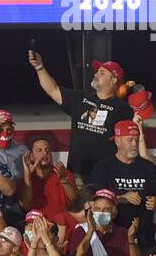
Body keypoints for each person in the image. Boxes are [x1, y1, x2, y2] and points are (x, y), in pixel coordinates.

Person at [27, 50, 132, 180]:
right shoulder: (80, 98)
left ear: (113, 80)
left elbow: (128, 143)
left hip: (106, 175)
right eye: (97, 71)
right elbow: (53, 90)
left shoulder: (123, 109)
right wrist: (39, 67)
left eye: (102, 72)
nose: (96, 74)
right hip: (76, 174)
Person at [87, 119, 156, 252]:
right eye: (130, 140)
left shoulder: (148, 167)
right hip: (113, 236)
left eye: (136, 139)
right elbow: (93, 201)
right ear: (117, 141)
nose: (134, 144)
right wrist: (122, 198)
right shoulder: (104, 167)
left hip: (144, 235)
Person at [17, 135, 77, 221]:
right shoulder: (24, 180)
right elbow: (26, 206)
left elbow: (76, 202)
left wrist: (64, 180)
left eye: (47, 150)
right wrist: (28, 175)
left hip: (62, 225)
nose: (44, 153)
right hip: (36, 226)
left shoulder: (64, 173)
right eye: (39, 150)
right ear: (31, 156)